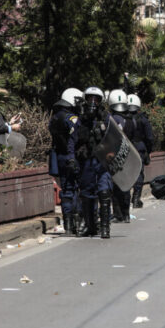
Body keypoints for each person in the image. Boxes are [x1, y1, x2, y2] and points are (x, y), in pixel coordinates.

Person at [75, 86, 114, 238]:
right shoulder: (80, 117)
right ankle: (90, 226)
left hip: (102, 160)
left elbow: (115, 138)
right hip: (87, 160)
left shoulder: (105, 117)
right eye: (90, 98)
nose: (93, 101)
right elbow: (75, 139)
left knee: (104, 192)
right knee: (86, 194)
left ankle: (105, 227)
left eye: (96, 99)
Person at [48, 88, 83, 235]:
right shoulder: (71, 119)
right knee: (77, 188)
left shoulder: (55, 117)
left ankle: (68, 223)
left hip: (59, 157)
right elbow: (77, 136)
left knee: (66, 189)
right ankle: (77, 221)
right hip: (72, 157)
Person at [106, 88, 133, 223]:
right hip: (128, 155)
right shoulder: (130, 120)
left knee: (115, 186)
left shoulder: (112, 119)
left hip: (115, 156)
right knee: (125, 185)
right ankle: (126, 213)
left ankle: (118, 214)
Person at [126, 94, 155, 209]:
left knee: (126, 173)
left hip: (126, 148)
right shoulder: (143, 119)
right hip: (139, 149)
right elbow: (149, 137)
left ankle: (126, 199)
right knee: (138, 173)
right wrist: (149, 151)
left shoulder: (123, 118)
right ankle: (136, 199)